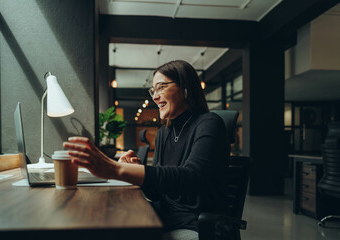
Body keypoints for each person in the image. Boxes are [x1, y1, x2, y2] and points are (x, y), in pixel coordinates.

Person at [63, 60, 229, 240]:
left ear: (185, 89)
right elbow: (155, 194)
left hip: (196, 226)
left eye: (161, 87)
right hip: (163, 219)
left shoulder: (209, 123)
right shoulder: (163, 133)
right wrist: (136, 168)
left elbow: (191, 178)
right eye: (153, 90)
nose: (155, 97)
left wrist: (117, 169)